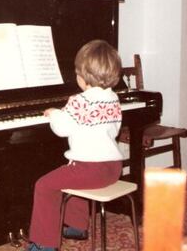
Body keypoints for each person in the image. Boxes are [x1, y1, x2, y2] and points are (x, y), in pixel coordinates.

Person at [27, 39, 124, 251]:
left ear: (82, 77)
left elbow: (62, 128)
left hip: (90, 169)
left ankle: (43, 245)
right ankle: (77, 227)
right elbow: (114, 129)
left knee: (44, 185)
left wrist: (54, 114)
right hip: (113, 168)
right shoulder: (114, 98)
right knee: (72, 173)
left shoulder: (79, 100)